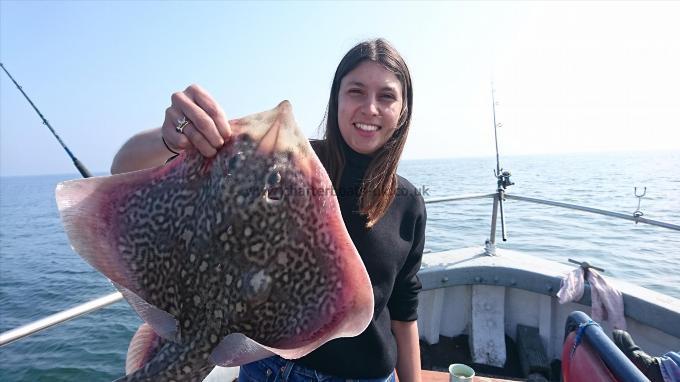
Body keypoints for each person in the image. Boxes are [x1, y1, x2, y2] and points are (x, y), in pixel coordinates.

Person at [110, 38, 426, 382]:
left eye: (386, 96)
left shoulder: (408, 202)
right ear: (336, 98)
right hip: (268, 368)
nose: (370, 108)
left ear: (404, 109)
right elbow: (124, 167)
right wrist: (173, 137)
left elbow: (403, 311)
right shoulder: (281, 165)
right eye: (355, 91)